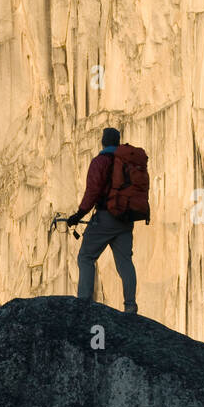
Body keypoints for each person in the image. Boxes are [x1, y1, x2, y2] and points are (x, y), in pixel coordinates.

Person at [66, 127, 139, 314]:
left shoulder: (101, 161)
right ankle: (130, 304)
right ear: (118, 141)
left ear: (103, 142)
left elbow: (93, 191)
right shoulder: (129, 163)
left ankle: (84, 302)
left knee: (86, 257)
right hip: (126, 219)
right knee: (125, 262)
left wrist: (79, 215)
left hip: (106, 217)